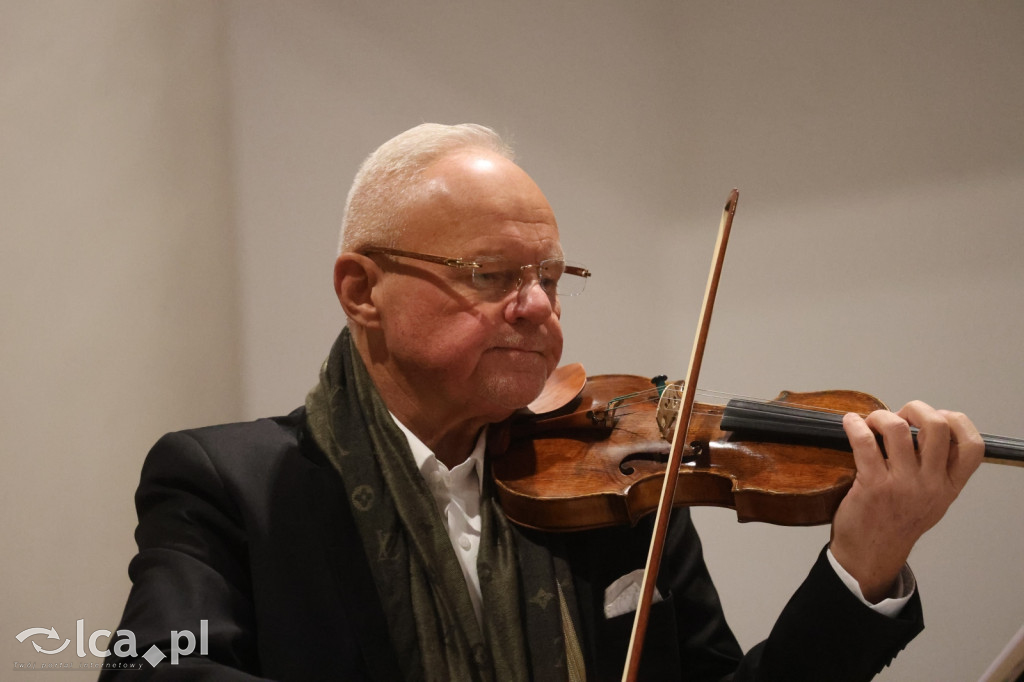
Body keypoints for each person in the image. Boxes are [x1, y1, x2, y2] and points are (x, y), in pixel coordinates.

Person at [102, 123, 984, 681]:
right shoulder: (227, 485)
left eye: (551, 277)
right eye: (491, 276)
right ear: (361, 289)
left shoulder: (621, 493)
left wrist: (863, 563)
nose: (536, 306)